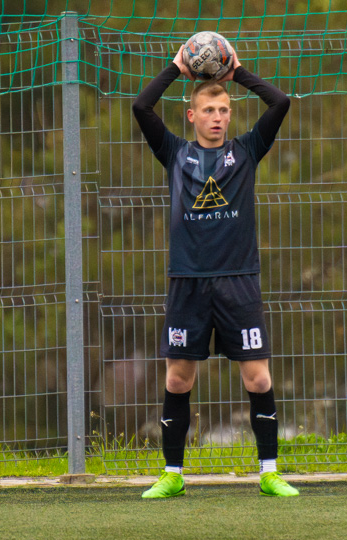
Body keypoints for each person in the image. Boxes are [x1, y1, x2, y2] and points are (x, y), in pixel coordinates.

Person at [132, 44, 298, 498]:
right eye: (208, 109)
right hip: (187, 282)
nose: (218, 117)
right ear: (192, 116)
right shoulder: (174, 153)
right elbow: (141, 106)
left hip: (238, 281)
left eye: (224, 109)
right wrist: (177, 68)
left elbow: (280, 102)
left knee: (258, 377)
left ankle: (269, 471)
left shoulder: (246, 151)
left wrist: (238, 72)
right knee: (178, 378)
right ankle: (172, 474)